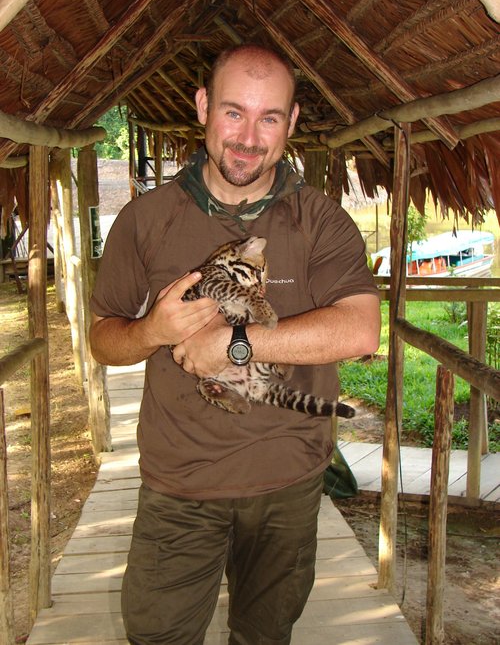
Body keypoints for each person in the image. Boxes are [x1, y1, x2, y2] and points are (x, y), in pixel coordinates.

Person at [90, 44, 380, 645]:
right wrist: (152, 332)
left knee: (265, 636)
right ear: (202, 107)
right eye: (233, 112)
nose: (249, 137)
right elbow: (103, 341)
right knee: (158, 635)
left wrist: (237, 343)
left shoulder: (320, 220)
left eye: (269, 117)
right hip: (179, 483)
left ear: (292, 121)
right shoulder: (145, 219)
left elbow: (360, 329)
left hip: (288, 481)